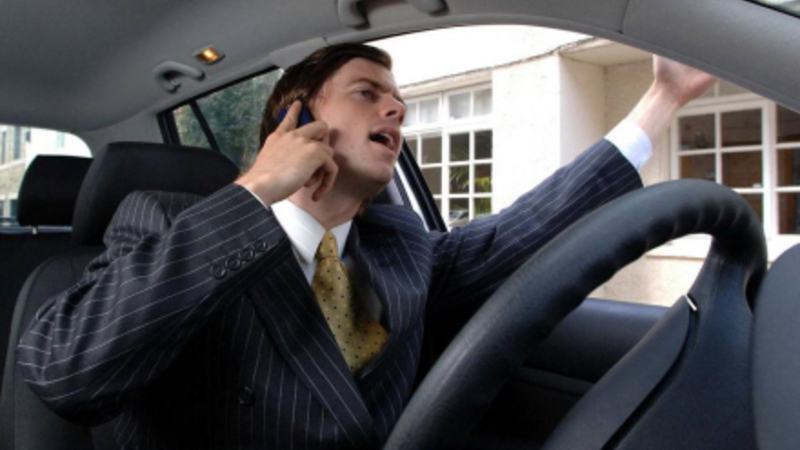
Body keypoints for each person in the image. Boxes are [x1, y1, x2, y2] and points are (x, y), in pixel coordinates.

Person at [18, 43, 715, 449]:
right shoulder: (164, 221)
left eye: (397, 100)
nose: (396, 108)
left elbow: (526, 227)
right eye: (366, 92)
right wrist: (255, 191)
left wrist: (662, 100)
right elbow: (68, 371)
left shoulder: (399, 245)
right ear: (295, 117)